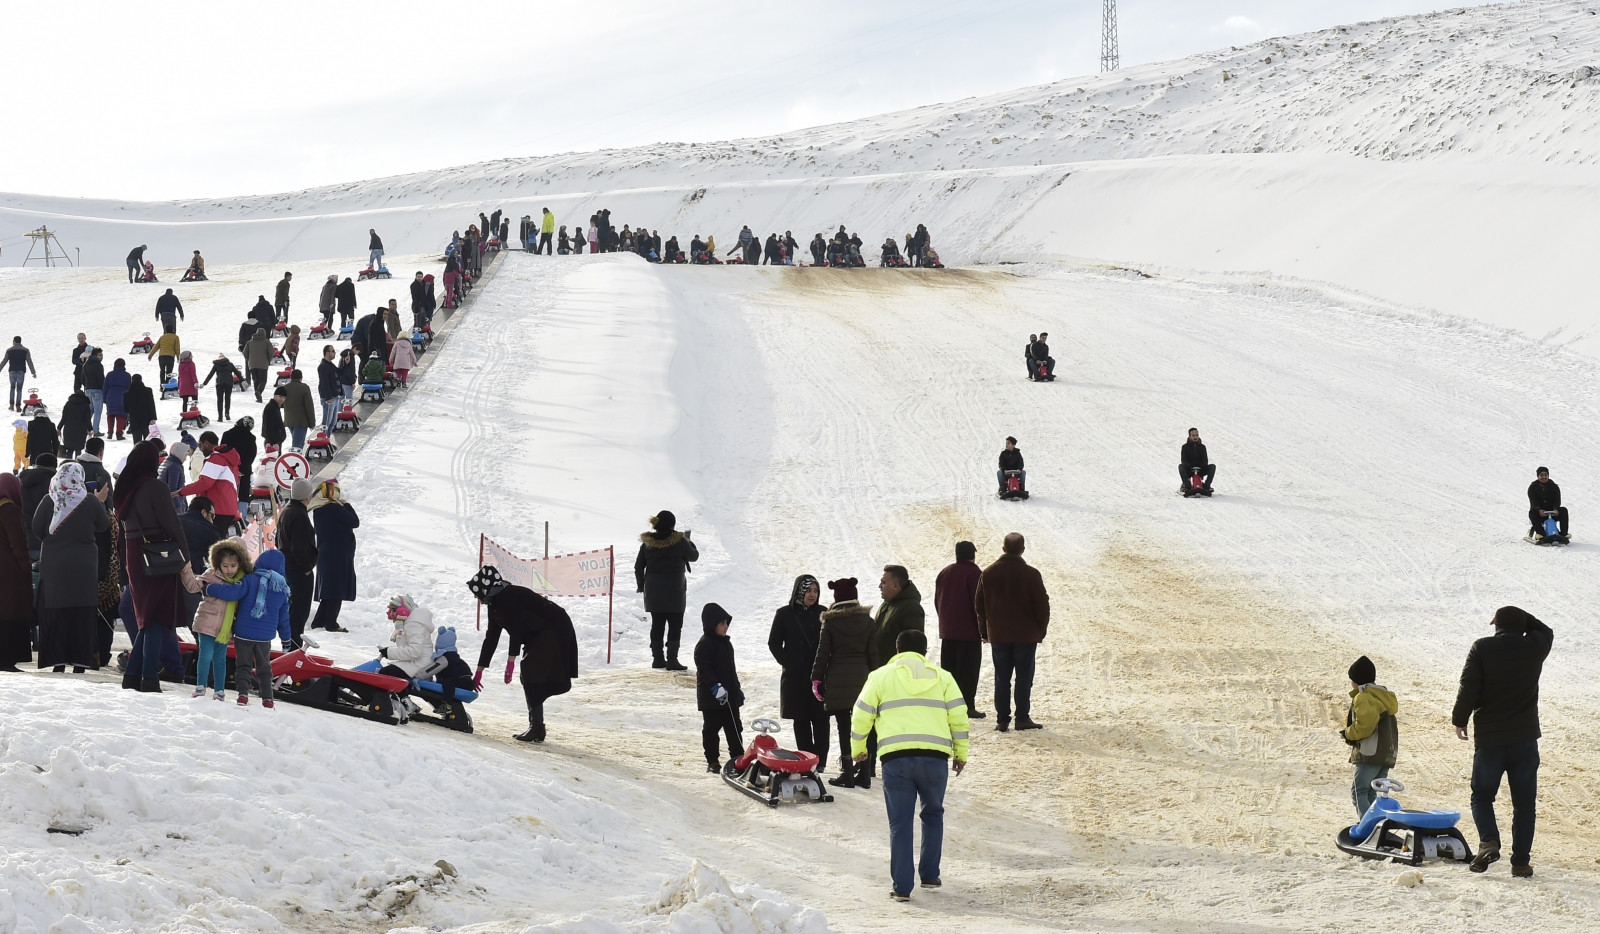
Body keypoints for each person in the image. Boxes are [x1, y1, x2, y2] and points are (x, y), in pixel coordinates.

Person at [852, 628, 969, 901]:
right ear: (925, 652)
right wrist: (961, 753)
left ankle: (902, 888)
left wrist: (858, 749)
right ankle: (929, 875)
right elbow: (959, 717)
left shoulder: (880, 677)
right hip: (935, 758)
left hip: (896, 759)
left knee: (900, 823)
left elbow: (861, 715)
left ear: (897, 651)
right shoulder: (944, 678)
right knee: (933, 814)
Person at [1453, 606, 1553, 877]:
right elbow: (1545, 630)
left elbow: (1468, 685)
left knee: (1482, 796)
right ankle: (1520, 863)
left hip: (1490, 740)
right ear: (1521, 625)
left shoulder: (1482, 648)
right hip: (1525, 740)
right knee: (1524, 804)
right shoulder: (1533, 647)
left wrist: (1459, 718)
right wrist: (1524, 620)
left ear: (1495, 623)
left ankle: (1489, 842)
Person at [469, 566, 580, 743]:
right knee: (529, 674)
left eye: (477, 594)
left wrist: (511, 662)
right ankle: (536, 727)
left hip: (554, 628)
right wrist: (480, 670)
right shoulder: (494, 603)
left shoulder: (509, 596)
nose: (477, 598)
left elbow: (517, 630)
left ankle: (536, 727)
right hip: (538, 633)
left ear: (485, 588)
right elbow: (491, 638)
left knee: (530, 671)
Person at [116, 441, 190, 691]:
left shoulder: (124, 488)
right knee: (157, 616)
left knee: (147, 617)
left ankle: (133, 675)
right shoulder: (155, 487)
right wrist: (185, 556)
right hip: (159, 554)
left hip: (134, 554)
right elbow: (172, 523)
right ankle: (149, 677)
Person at [32, 461, 108, 673]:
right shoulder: (91, 501)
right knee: (81, 615)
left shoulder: (50, 500)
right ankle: (80, 663)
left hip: (55, 567)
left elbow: (37, 527)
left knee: (57, 614)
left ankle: (57, 662)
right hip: (84, 569)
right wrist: (100, 502)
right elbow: (103, 525)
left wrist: (54, 541)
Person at [974, 532, 1049, 732]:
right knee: (1024, 677)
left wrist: (985, 631)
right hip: (1026, 635)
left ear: (1003, 548)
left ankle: (1002, 720)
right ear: (1023, 550)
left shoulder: (988, 573)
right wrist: (1040, 630)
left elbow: (979, 606)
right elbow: (1042, 605)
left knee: (1002, 677)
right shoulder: (1032, 574)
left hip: (999, 635)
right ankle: (1022, 718)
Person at [812, 577, 880, 788]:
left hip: (838, 679)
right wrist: (877, 679)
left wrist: (816, 678)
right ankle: (865, 774)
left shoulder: (831, 622)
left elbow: (822, 653)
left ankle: (848, 772)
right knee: (865, 727)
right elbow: (874, 654)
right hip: (863, 680)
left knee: (844, 727)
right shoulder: (868, 622)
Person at [203, 548, 292, 707]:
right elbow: (283, 618)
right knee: (264, 667)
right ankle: (267, 698)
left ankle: (243, 694)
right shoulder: (281, 589)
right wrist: (286, 639)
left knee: (243, 665)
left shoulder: (249, 580)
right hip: (264, 637)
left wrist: (209, 588)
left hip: (244, 633)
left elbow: (232, 592)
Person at [768, 575, 830, 771]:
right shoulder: (785, 614)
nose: (812, 595)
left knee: (821, 720)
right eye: (809, 590)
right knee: (801, 719)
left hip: (819, 676)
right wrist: (789, 663)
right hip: (795, 677)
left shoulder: (824, 613)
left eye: (816, 591)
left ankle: (820, 762)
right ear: (799, 591)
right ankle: (806, 759)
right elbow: (774, 643)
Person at [185, 538, 251, 700]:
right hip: (207, 622)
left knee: (220, 659)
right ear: (218, 563)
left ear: (241, 563)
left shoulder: (243, 581)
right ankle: (201, 686)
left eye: (233, 566)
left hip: (225, 628)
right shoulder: (211, 575)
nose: (229, 570)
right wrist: (186, 569)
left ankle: (219, 690)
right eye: (225, 566)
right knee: (205, 655)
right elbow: (193, 586)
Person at [635, 510, 699, 670]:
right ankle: (672, 660)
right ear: (672, 525)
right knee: (675, 624)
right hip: (674, 590)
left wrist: (641, 585)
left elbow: (638, 566)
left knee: (657, 624)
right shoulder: (680, 541)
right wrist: (689, 542)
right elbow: (694, 556)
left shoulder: (647, 543)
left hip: (654, 591)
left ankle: (657, 659)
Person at [934, 541, 986, 720]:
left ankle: (949, 706)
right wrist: (984, 630)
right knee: (968, 672)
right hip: (969, 632)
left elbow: (937, 601)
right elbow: (979, 604)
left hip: (948, 632)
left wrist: (945, 622)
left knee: (950, 671)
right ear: (972, 555)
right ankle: (967, 706)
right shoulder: (975, 573)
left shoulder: (945, 572)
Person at [1340, 655, 1398, 815]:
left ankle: (1367, 829)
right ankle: (1377, 827)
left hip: (1370, 752)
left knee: (1359, 792)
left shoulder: (1364, 697)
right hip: (1387, 754)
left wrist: (1348, 734)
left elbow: (1365, 726)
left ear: (1356, 680)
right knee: (1371, 792)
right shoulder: (1382, 696)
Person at [695, 602, 744, 772]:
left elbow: (731, 670)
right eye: (722, 624)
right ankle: (712, 760)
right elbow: (704, 669)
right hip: (712, 698)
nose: (725, 627)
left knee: (735, 728)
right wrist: (715, 687)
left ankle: (738, 758)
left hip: (729, 698)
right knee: (711, 729)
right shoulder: (705, 644)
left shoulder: (726, 644)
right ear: (711, 624)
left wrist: (737, 689)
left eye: (726, 624)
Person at [309, 481, 358, 632]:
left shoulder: (318, 510)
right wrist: (347, 505)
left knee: (330, 588)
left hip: (326, 554)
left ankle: (318, 621)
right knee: (337, 589)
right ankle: (331, 623)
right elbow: (355, 522)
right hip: (339, 554)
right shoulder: (334, 508)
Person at [275, 477, 318, 649]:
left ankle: (290, 643)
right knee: (299, 611)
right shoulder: (299, 515)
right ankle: (293, 645)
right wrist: (307, 568)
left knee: (292, 609)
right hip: (298, 570)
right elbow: (298, 547)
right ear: (307, 495)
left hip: (288, 567)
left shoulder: (288, 509)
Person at [0, 472, 34, 671]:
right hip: (10, 573)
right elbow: (18, 543)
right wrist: (25, 566)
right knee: (11, 615)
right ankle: (7, 658)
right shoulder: (9, 509)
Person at [178, 436, 240, 536]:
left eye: (200, 445)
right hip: (228, 507)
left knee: (213, 542)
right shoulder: (228, 460)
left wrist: (181, 492)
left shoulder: (216, 459)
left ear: (206, 443)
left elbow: (204, 483)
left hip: (217, 508)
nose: (200, 448)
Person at [874, 565, 925, 669]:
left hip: (897, 673)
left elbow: (914, 649)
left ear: (895, 586)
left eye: (883, 583)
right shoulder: (886, 605)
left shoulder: (911, 608)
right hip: (882, 671)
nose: (879, 586)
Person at [375, 594, 436, 679]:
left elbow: (415, 651)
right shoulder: (407, 622)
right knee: (386, 672)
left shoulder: (414, 624)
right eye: (390, 610)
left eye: (394, 610)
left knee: (386, 673)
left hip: (420, 663)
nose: (392, 614)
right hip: (413, 662)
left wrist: (389, 652)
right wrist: (387, 651)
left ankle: (395, 692)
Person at [19, 452, 56, 558]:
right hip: (44, 542)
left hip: (21, 540)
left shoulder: (20, 481)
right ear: (54, 467)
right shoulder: (53, 485)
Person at [1526, 466, 1568, 543]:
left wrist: (1556, 508)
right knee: (1532, 513)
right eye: (1541, 475)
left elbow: (1557, 500)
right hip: (1539, 513)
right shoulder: (1532, 487)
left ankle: (1563, 534)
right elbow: (1533, 501)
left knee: (1564, 510)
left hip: (1553, 512)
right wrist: (1538, 510)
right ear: (1538, 476)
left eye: (1546, 475)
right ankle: (1541, 534)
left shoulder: (1554, 486)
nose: (1544, 477)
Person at [279, 369, 317, 450]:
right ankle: (295, 461)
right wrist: (312, 423)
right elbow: (309, 407)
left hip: (289, 420)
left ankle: (294, 459)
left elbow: (280, 403)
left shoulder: (284, 388)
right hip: (301, 421)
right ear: (301, 378)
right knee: (297, 445)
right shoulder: (304, 388)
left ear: (291, 377)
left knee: (296, 441)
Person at [201, 353, 239, 420]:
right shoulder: (230, 364)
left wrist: (205, 383)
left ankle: (220, 417)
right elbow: (237, 373)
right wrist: (243, 381)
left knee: (220, 400)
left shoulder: (216, 365)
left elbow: (210, 374)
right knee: (227, 398)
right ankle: (227, 413)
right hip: (229, 383)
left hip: (219, 383)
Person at [5, 336, 37, 412]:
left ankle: (11, 405)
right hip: (21, 371)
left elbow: (4, 361)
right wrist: (33, 372)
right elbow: (29, 362)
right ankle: (18, 406)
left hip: (12, 371)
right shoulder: (26, 350)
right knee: (19, 389)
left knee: (12, 388)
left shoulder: (9, 350)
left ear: (14, 341)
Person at [56, 391, 91, 460]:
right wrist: (90, 429)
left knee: (69, 449)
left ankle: (68, 464)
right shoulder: (86, 405)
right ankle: (78, 464)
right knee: (78, 450)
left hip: (69, 430)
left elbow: (64, 417)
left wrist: (59, 428)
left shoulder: (68, 404)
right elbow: (87, 419)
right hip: (81, 430)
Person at [1180, 427, 1216, 494]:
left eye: (1196, 435)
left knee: (1212, 466)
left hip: (1201, 469)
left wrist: (1202, 466)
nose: (1195, 437)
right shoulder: (1185, 447)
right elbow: (1183, 460)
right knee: (1181, 466)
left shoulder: (1202, 447)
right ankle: (1187, 486)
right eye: (1193, 435)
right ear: (1190, 436)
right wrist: (1189, 465)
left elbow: (1205, 459)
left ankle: (1207, 486)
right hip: (1189, 469)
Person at [102, 358, 131, 439]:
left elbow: (105, 387)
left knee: (110, 415)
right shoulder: (127, 375)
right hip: (122, 397)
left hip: (110, 396)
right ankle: (119, 433)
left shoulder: (109, 374)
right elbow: (129, 388)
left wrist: (104, 399)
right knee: (121, 415)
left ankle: (110, 433)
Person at [123, 375, 157, 443]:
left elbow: (126, 409)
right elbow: (151, 405)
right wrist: (153, 418)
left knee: (137, 442)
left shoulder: (127, 394)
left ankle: (138, 453)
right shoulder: (148, 391)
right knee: (148, 442)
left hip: (134, 421)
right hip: (146, 420)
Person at [317, 345, 341, 432]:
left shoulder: (330, 365)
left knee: (333, 422)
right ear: (327, 353)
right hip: (329, 398)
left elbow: (339, 372)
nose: (334, 353)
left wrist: (346, 363)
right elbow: (325, 383)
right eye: (333, 351)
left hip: (334, 397)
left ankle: (327, 440)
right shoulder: (323, 366)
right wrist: (328, 397)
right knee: (327, 422)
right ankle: (323, 441)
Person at [82, 347, 105, 435]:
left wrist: (86, 386)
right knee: (98, 411)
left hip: (87, 390)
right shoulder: (98, 365)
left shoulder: (85, 365)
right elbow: (101, 379)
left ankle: (85, 428)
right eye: (100, 355)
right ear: (95, 355)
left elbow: (82, 378)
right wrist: (102, 388)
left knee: (90, 410)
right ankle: (95, 430)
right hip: (97, 390)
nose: (101, 357)